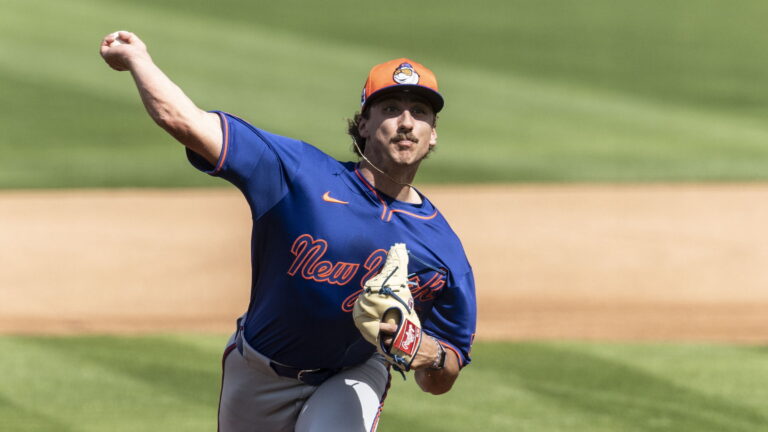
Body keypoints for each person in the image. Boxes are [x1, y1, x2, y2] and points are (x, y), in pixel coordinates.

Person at [99, 31, 477, 432]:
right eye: (390, 108)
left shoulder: (443, 252)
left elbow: (442, 374)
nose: (406, 123)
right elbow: (186, 122)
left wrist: (430, 354)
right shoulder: (298, 174)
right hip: (257, 371)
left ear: (433, 133)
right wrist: (138, 60)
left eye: (420, 112)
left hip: (350, 375)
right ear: (364, 124)